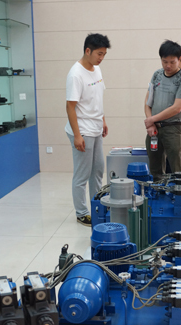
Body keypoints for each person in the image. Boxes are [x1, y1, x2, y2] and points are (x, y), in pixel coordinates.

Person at [65, 33, 111, 226]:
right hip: (82, 129)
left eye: (104, 54)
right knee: (82, 174)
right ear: (87, 51)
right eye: (99, 54)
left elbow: (97, 98)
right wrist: (77, 136)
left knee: (98, 170)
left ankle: (97, 207)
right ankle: (81, 213)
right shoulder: (76, 74)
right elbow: (70, 107)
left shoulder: (96, 69)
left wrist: (103, 120)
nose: (101, 58)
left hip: (96, 127)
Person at [144, 40, 181, 181]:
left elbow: (177, 108)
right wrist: (151, 123)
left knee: (177, 169)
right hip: (154, 129)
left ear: (179, 59)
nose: (168, 66)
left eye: (172, 62)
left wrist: (151, 119)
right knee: (155, 170)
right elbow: (148, 102)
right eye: (164, 62)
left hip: (173, 128)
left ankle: (179, 194)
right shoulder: (157, 75)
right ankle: (157, 193)